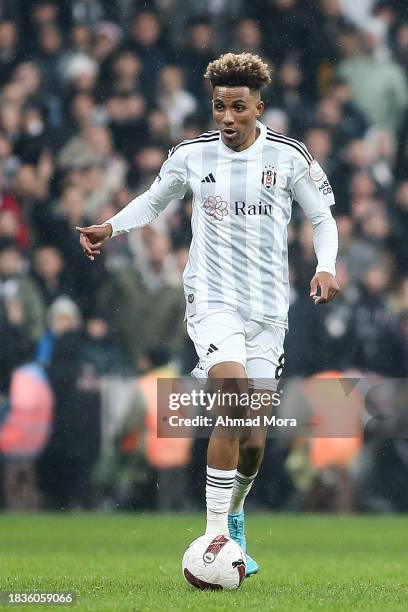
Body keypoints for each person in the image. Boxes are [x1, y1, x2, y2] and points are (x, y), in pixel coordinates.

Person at [76, 52, 339, 576]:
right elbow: (154, 201)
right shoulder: (191, 155)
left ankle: (235, 513)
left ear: (258, 108)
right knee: (232, 400)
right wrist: (110, 226)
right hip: (213, 301)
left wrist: (326, 267)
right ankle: (214, 535)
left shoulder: (290, 156)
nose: (227, 118)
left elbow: (322, 217)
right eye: (219, 107)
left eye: (238, 108)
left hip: (268, 310)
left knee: (255, 441)